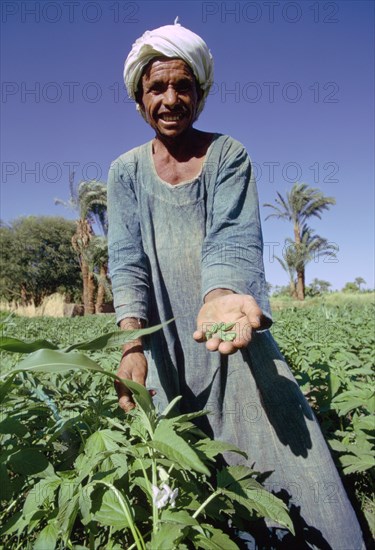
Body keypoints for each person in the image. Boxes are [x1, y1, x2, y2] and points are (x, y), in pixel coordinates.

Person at [107, 21, 365, 549]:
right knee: (179, 479)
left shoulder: (228, 154)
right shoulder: (125, 173)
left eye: (184, 86)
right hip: (164, 347)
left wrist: (221, 294)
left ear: (200, 95)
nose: (171, 98)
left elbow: (232, 238)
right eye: (157, 88)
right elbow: (127, 261)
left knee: (291, 461)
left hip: (228, 335)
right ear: (139, 98)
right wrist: (132, 345)